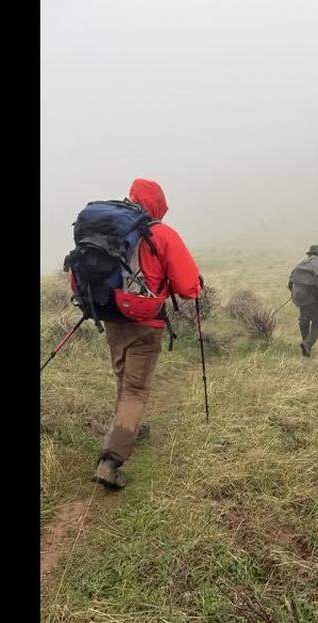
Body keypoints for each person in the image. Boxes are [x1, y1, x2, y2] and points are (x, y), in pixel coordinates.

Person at [95, 178, 201, 489]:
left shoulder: (109, 229)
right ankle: (110, 461)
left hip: (111, 316)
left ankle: (128, 427)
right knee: (136, 390)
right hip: (144, 321)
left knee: (124, 379)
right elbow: (188, 287)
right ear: (158, 203)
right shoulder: (162, 233)